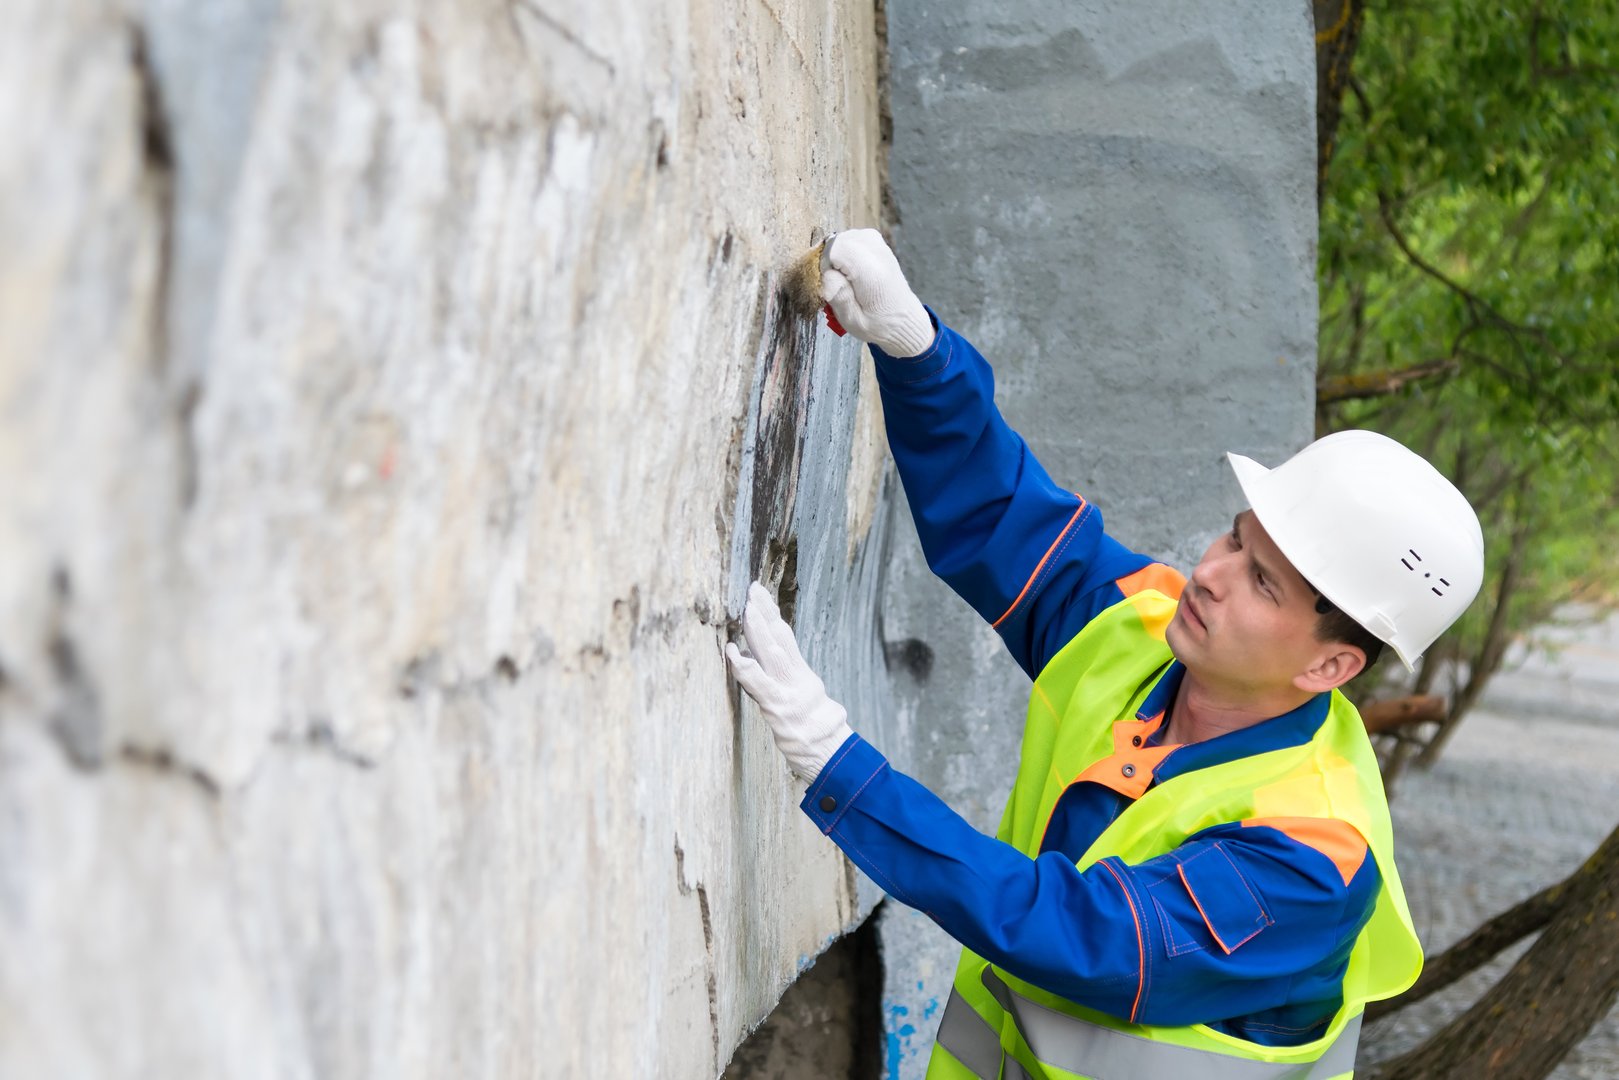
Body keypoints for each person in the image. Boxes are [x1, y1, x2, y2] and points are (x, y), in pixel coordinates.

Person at [725, 229, 1485, 1079]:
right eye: (1233, 541)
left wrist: (843, 769)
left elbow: (1090, 940)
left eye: (1261, 583)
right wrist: (916, 352)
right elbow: (1010, 526)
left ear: (1329, 667)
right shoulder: (1148, 635)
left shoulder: (1313, 857)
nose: (1210, 574)